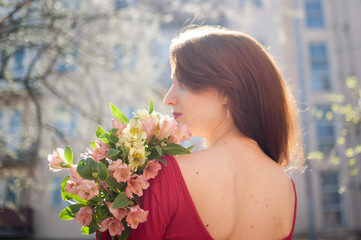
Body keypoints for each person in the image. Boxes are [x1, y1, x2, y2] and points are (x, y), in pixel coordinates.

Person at [98, 25, 303, 240]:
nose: (168, 98)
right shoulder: (285, 187)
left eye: (183, 83)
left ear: (226, 92)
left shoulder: (164, 175)